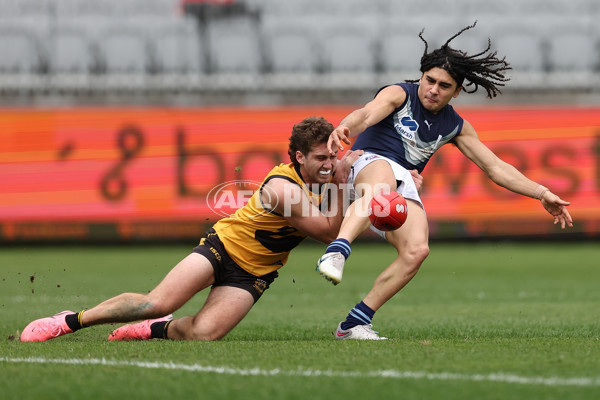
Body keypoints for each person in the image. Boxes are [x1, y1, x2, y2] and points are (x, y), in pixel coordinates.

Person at [315, 22, 574, 341]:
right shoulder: (400, 93)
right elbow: (367, 114)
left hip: (402, 181)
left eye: (444, 85)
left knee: (417, 250)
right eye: (429, 80)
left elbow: (495, 167)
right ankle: (338, 251)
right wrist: (345, 127)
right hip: (366, 163)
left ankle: (354, 323)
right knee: (382, 187)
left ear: (457, 91)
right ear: (421, 77)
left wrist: (542, 192)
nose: (433, 89)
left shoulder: (456, 126)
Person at [20, 116, 366, 342]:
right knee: (156, 301)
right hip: (224, 248)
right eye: (321, 158)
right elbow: (328, 233)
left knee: (204, 335)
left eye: (333, 157)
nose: (329, 164)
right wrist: (344, 182)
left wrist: (393, 182)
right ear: (299, 157)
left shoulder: (327, 180)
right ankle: (71, 321)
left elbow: (363, 191)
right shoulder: (282, 188)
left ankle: (153, 331)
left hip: (255, 272)